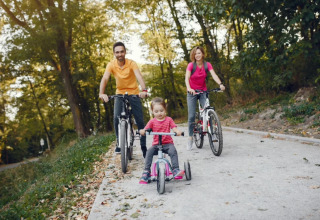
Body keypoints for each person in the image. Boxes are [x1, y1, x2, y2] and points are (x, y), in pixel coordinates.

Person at [99, 41, 148, 157]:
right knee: (117, 117)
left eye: (121, 51)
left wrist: (144, 90)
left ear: (125, 52)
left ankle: (143, 147)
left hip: (134, 93)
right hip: (119, 93)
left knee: (140, 121)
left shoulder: (132, 63)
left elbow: (139, 76)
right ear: (114, 53)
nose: (120, 54)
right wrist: (102, 93)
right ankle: (119, 142)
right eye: (117, 52)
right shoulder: (111, 64)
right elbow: (105, 78)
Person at [185, 46, 225, 150]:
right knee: (191, 116)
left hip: (203, 91)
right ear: (193, 55)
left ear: (202, 54)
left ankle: (213, 132)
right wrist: (189, 88)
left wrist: (220, 84)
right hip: (192, 92)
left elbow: (214, 75)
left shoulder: (207, 65)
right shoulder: (191, 65)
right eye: (195, 53)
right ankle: (190, 138)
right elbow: (187, 78)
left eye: (199, 53)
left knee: (208, 110)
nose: (197, 55)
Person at [139, 97, 184, 184]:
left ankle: (175, 169)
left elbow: (174, 128)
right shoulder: (152, 121)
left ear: (165, 110)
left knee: (173, 151)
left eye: (161, 110)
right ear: (152, 111)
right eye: (156, 111)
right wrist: (143, 131)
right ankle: (146, 172)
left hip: (168, 144)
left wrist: (177, 131)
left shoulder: (169, 120)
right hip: (156, 145)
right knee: (149, 152)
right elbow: (145, 129)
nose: (159, 113)